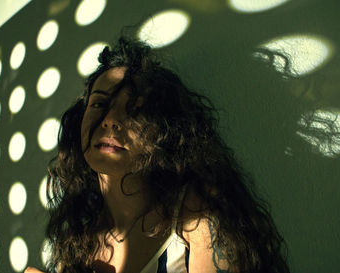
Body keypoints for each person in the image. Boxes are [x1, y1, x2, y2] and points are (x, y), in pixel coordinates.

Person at [26, 36, 290, 273]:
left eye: (134, 108)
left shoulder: (195, 214)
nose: (111, 120)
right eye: (99, 104)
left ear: (164, 131)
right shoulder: (77, 239)